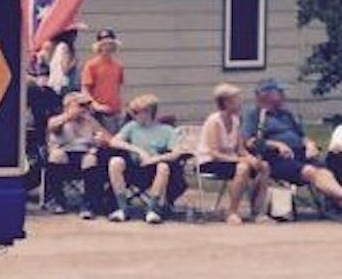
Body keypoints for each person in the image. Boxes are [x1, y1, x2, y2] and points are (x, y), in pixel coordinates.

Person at [243, 78, 342, 210]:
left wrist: (309, 144)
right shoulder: (254, 115)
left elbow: (302, 136)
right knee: (312, 172)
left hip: (300, 155)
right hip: (277, 159)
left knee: (325, 173)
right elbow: (248, 141)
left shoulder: (286, 114)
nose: (284, 95)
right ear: (266, 95)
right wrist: (276, 144)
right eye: (280, 92)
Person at [104, 94, 188, 224]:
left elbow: (176, 153)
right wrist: (138, 150)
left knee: (163, 167)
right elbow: (114, 142)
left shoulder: (167, 130)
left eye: (137, 112)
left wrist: (154, 159)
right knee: (115, 162)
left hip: (154, 170)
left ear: (148, 112)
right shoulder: (131, 127)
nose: (134, 115)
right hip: (134, 167)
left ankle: (152, 209)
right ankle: (122, 208)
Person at [196, 83, 270, 224]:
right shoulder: (214, 121)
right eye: (237, 99)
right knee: (243, 167)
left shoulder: (236, 120)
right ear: (226, 102)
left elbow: (240, 150)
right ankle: (232, 212)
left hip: (231, 160)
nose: (240, 102)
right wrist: (240, 161)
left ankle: (257, 211)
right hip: (210, 162)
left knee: (264, 166)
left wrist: (252, 159)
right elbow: (214, 152)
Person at [42, 91, 106, 216]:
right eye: (80, 105)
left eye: (86, 106)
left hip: (84, 158)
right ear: (67, 106)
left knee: (91, 158)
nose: (84, 109)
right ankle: (56, 201)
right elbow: (52, 126)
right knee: (57, 155)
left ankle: (88, 205)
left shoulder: (90, 121)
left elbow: (105, 137)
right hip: (63, 158)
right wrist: (70, 115)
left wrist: (100, 141)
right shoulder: (58, 120)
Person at [81, 27, 125, 131]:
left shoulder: (118, 66)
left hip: (116, 111)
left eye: (110, 44)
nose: (107, 47)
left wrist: (121, 107)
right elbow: (85, 90)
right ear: (99, 47)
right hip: (99, 112)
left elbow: (117, 88)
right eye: (104, 44)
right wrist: (96, 105)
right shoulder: (91, 65)